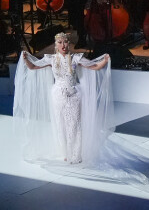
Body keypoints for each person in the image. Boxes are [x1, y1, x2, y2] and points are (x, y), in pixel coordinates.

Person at [12, 32, 112, 165]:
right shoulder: (51, 59)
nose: (63, 45)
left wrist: (105, 60)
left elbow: (94, 66)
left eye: (65, 42)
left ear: (69, 44)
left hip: (74, 95)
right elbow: (34, 66)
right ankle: (66, 152)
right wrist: (25, 59)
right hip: (58, 95)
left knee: (75, 125)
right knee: (62, 124)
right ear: (56, 45)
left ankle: (75, 154)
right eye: (60, 42)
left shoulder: (76, 58)